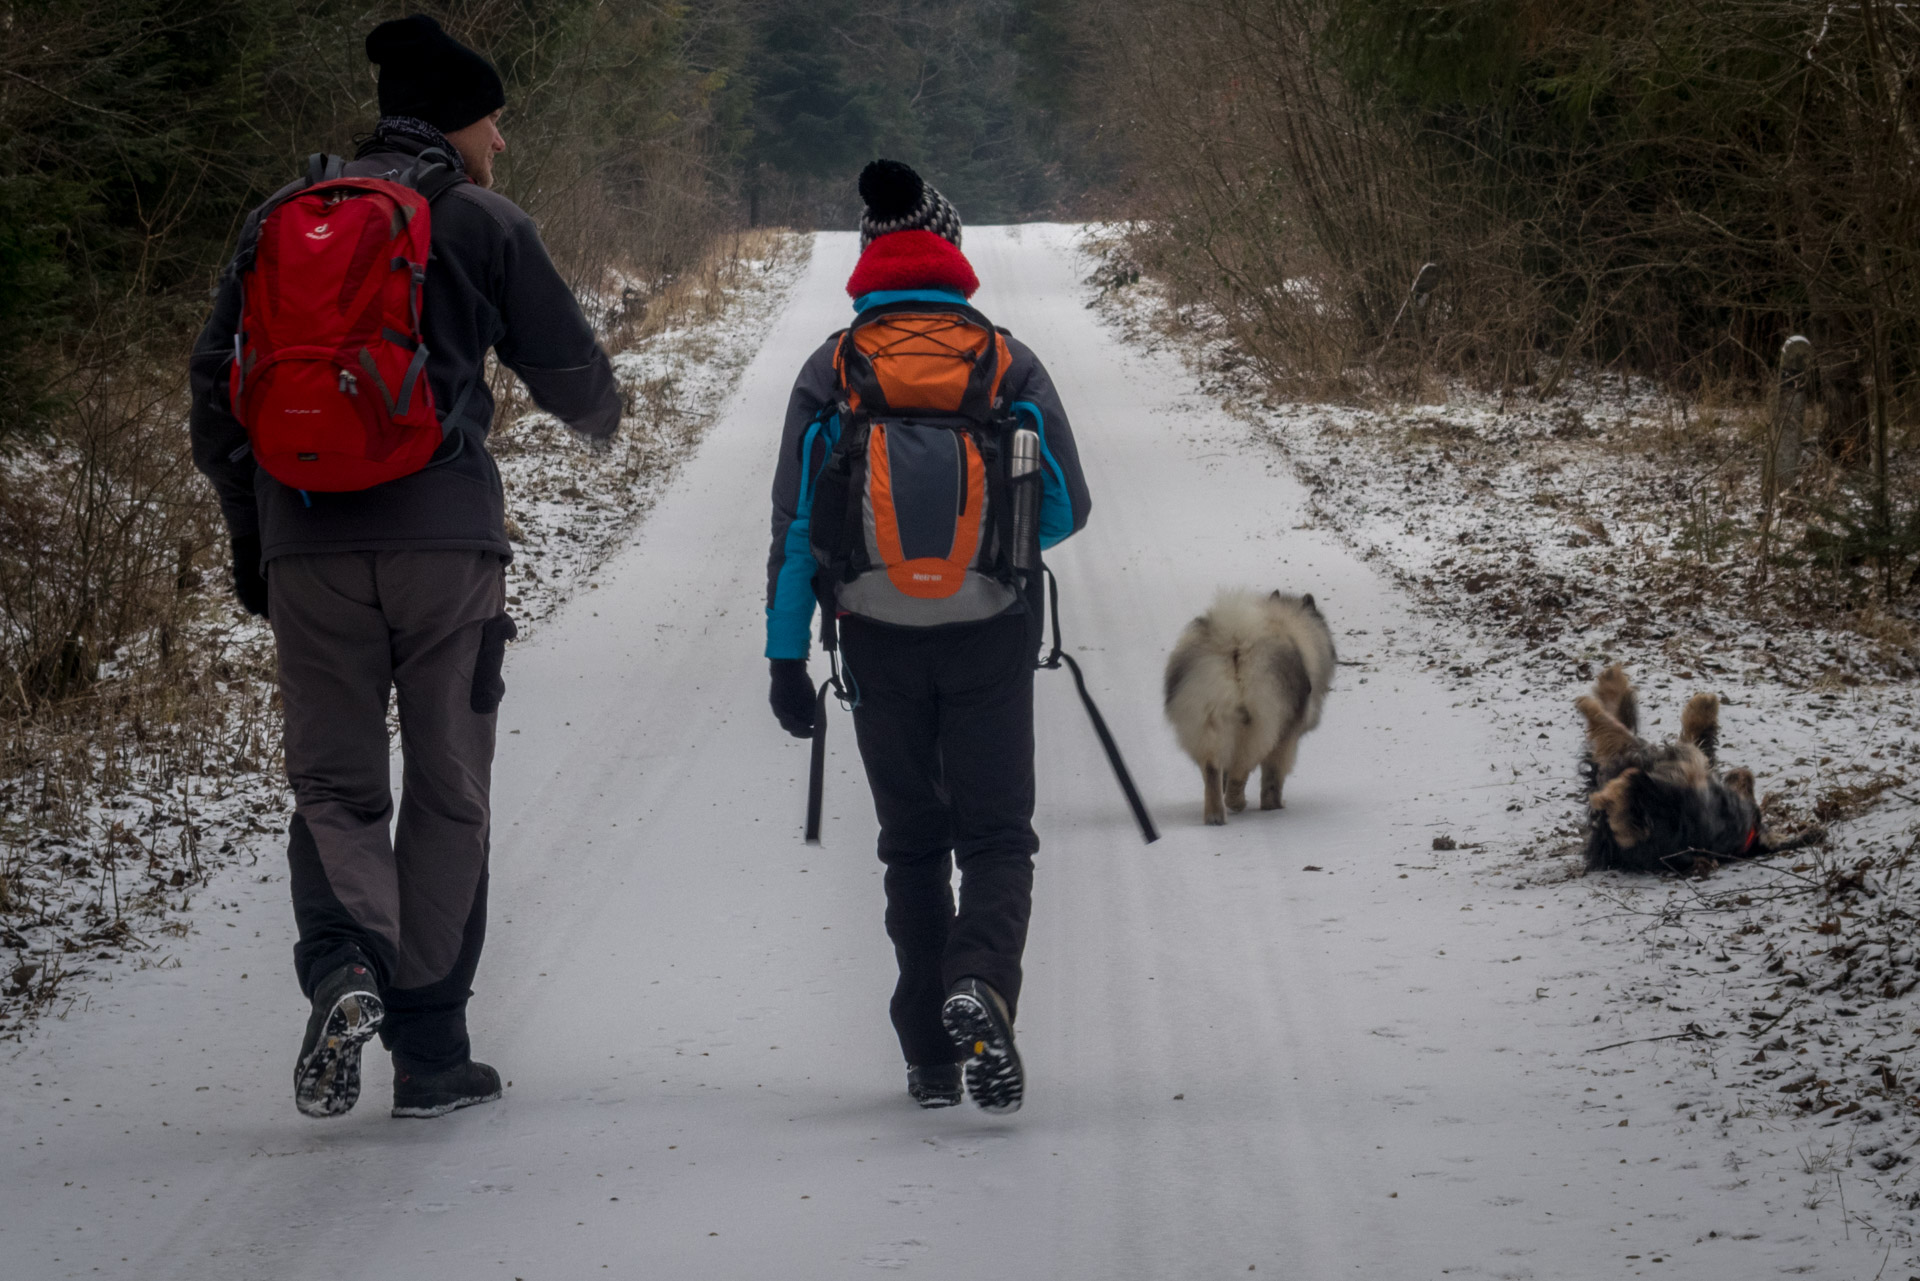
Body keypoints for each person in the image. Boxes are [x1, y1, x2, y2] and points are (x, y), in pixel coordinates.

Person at [189, 13, 620, 1120]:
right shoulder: (480, 218)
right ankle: (432, 1055)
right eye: (493, 121)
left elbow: (211, 396)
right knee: (447, 788)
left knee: (333, 785)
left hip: (308, 546)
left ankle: (341, 970)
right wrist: (607, 416)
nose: (501, 142)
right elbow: (569, 371)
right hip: (445, 551)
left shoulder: (279, 222)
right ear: (455, 121)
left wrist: (257, 538)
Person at [764, 160, 1091, 1112]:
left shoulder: (832, 368)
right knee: (996, 834)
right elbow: (1067, 506)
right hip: (990, 630)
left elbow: (796, 528)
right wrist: (986, 540)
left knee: (911, 841)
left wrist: (786, 656)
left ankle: (929, 1057)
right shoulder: (1003, 360)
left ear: (868, 256)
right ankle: (980, 980)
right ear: (952, 250)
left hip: (872, 634)